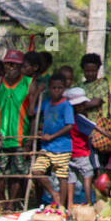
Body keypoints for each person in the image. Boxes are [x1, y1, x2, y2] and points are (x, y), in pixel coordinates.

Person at [30, 73, 75, 213]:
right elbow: (32, 111)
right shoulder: (46, 103)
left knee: (62, 176)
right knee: (37, 170)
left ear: (64, 88)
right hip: (47, 147)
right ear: (49, 88)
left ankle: (61, 206)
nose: (56, 90)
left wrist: (52, 136)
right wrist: (38, 92)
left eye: (59, 88)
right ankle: (53, 194)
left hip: (62, 146)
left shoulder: (66, 105)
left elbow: (69, 125)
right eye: (54, 88)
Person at [0, 49, 34, 206]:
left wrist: (29, 141)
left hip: (20, 138)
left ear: (21, 66)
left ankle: (12, 203)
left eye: (15, 65)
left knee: (17, 173)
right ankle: (2, 203)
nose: (11, 68)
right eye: (8, 65)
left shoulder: (28, 83)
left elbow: (33, 113)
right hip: (0, 138)